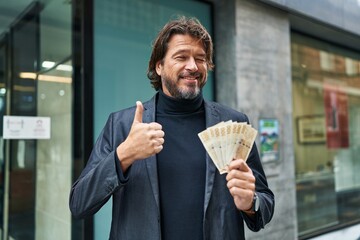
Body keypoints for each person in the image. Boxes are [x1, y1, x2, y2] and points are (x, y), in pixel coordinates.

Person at [69, 16, 275, 240]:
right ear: (159, 66)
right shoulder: (122, 125)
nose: (193, 66)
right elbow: (80, 203)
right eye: (181, 57)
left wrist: (250, 203)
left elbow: (265, 202)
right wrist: (124, 155)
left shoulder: (233, 124)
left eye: (200, 58)